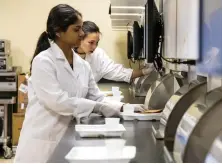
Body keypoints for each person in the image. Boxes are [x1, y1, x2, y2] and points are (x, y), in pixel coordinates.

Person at [14, 4, 144, 163]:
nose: (82, 33)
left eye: (81, 28)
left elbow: (96, 97)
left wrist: (124, 107)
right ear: (59, 32)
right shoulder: (43, 61)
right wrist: (96, 107)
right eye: (76, 30)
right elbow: (58, 102)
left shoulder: (83, 65)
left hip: (68, 137)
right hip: (42, 142)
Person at [74, 21, 155, 83]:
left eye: (97, 43)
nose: (94, 47)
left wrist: (143, 72)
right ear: (80, 39)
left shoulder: (98, 55)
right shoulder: (67, 54)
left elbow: (116, 72)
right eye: (91, 42)